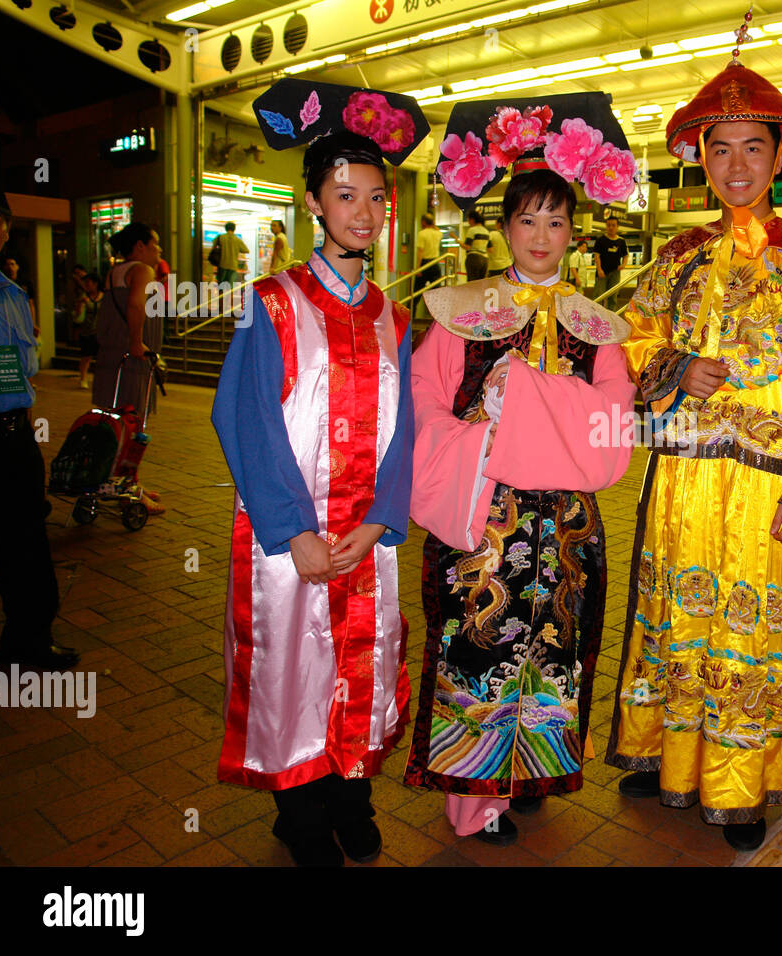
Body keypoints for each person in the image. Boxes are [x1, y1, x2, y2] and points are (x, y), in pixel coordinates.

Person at [605, 52, 782, 851]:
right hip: (681, 478)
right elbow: (626, 340)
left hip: (763, 490)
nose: (737, 164)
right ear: (701, 160)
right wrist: (675, 366)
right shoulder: (677, 257)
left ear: (781, 156)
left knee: (752, 627)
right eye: (721, 149)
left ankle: (741, 780)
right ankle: (662, 752)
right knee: (671, 607)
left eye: (753, 147)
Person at [405, 92, 639, 847]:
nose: (542, 236)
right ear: (504, 227)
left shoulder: (599, 326)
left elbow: (613, 433)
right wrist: (486, 439)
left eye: (557, 221)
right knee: (480, 647)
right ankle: (476, 797)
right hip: (485, 524)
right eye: (527, 220)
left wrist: (522, 405)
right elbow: (424, 407)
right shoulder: (460, 312)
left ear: (577, 231)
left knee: (556, 651)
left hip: (567, 530)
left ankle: (531, 769)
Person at [212, 78, 427, 867]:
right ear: (313, 203)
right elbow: (245, 422)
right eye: (346, 195)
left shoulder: (396, 320)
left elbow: (409, 434)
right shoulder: (270, 305)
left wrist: (378, 521)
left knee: (363, 666)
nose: (364, 214)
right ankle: (299, 811)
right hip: (289, 539)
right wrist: (294, 532)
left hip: (369, 535)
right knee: (293, 669)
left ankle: (351, 793)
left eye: (376, 198)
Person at [0, 191, 79, 672]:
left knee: (24, 544)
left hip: (10, 437)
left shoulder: (12, 296)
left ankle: (27, 645)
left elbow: (20, 377)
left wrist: (23, 435)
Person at [92, 220, 164, 514]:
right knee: (133, 425)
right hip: (131, 362)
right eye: (155, 244)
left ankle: (122, 481)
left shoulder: (114, 273)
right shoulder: (142, 271)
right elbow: (135, 305)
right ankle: (126, 489)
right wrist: (137, 342)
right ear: (140, 247)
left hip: (111, 360)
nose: (159, 250)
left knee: (114, 423)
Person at [73, 272, 102, 388]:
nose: (86, 285)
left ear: (95, 284)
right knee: (86, 356)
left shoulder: (103, 296)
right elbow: (78, 315)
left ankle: (99, 378)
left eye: (88, 283)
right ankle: (83, 378)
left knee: (101, 357)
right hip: (87, 331)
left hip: (100, 331)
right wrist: (81, 305)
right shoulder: (83, 297)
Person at [592, 215, 626, 309]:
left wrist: (623, 265)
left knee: (613, 296)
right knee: (599, 296)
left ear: (617, 226)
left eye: (613, 225)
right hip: (602, 272)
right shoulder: (600, 240)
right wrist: (599, 270)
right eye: (609, 225)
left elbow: (625, 255)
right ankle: (596, 317)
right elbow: (597, 256)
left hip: (615, 272)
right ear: (606, 226)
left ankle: (612, 316)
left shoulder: (621, 241)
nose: (611, 227)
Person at [0, 255, 35, 336]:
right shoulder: (0, 285)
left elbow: (30, 304)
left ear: (17, 266)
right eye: (7, 265)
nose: (10, 267)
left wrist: (32, 324)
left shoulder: (25, 283)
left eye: (12, 264)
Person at [413, 213, 443, 315]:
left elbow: (420, 251)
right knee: (436, 293)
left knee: (416, 292)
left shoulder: (422, 233)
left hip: (425, 263)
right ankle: (438, 317)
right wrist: (433, 224)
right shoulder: (438, 234)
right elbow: (437, 229)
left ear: (423, 222)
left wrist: (418, 267)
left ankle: (410, 316)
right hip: (435, 264)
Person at [210, 221, 249, 287]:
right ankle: (229, 297)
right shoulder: (237, 240)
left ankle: (221, 297)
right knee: (230, 287)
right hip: (233, 266)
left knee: (221, 285)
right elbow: (246, 250)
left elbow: (213, 244)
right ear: (234, 229)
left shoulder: (220, 237)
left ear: (226, 228)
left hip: (222, 264)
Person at [463, 211, 489, 281]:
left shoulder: (472, 230)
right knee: (481, 283)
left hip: (474, 258)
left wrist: (457, 241)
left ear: (472, 220)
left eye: (468, 220)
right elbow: (490, 249)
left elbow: (467, 246)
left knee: (472, 282)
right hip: (484, 259)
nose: (468, 222)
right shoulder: (486, 231)